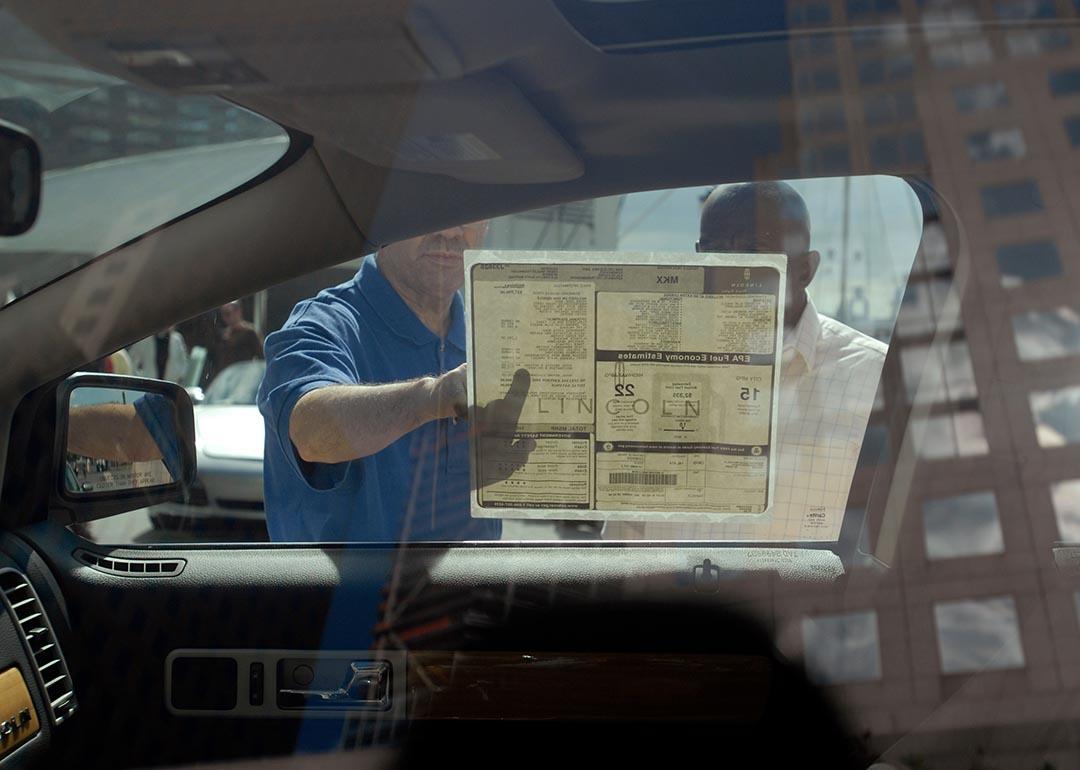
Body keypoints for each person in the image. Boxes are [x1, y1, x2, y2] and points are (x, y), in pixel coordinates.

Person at [605, 181, 887, 541]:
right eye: (715, 251)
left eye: (754, 251)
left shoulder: (874, 377)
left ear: (805, 269)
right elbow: (624, 537)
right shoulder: (643, 371)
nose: (730, 269)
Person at [257, 224, 534, 543]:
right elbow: (312, 433)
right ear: (386, 220)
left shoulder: (494, 336)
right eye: (432, 207)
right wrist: (432, 398)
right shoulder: (325, 325)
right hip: (350, 593)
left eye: (471, 214)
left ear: (486, 227)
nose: (452, 231)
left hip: (470, 590)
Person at [213, 301, 263, 373]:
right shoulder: (223, 336)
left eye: (233, 311)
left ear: (239, 311)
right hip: (228, 377)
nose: (230, 317)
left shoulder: (249, 332)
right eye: (225, 314)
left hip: (245, 375)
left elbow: (261, 357)